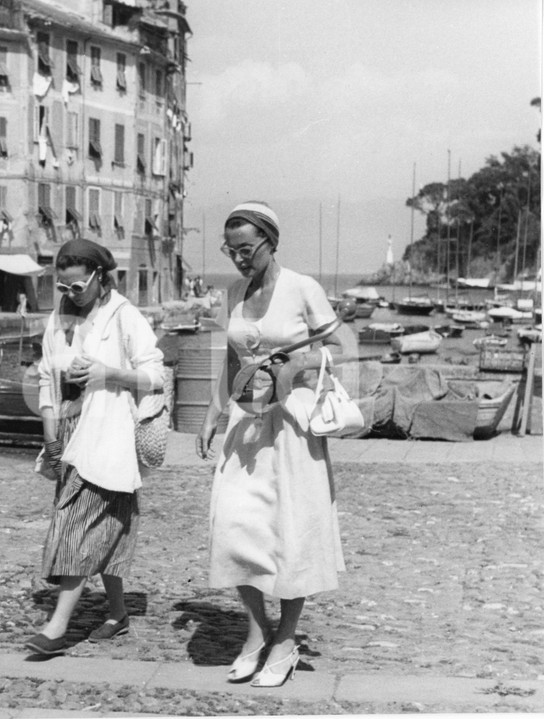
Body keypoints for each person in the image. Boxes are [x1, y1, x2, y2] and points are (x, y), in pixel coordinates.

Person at [196, 202, 348, 687]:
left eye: (247, 249)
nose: (239, 259)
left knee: (291, 534)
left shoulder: (302, 288)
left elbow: (340, 348)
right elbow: (230, 357)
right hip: (246, 425)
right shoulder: (236, 292)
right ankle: (256, 630)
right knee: (235, 526)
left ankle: (285, 638)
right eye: (231, 250)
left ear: (270, 241)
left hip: (292, 428)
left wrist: (295, 365)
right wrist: (212, 413)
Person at [26, 238, 165, 655]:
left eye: (78, 287)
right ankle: (117, 612)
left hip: (107, 436)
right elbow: (48, 380)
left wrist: (108, 373)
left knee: (75, 525)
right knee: (110, 528)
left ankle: (57, 626)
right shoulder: (59, 319)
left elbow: (155, 376)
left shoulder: (125, 317)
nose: (70, 295)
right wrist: (49, 437)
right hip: (68, 437)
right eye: (62, 287)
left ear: (100, 278)